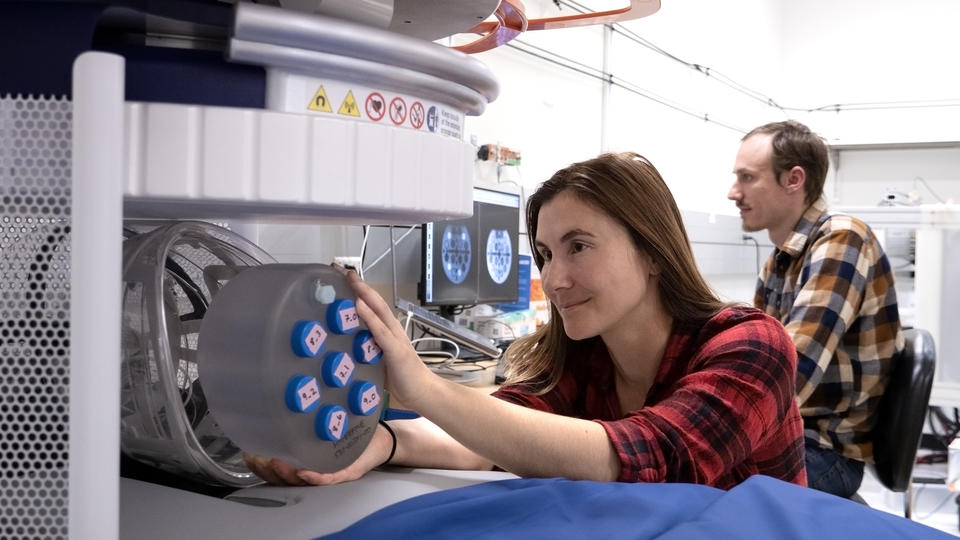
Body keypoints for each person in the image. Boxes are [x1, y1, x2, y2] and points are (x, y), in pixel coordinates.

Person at [247, 152, 806, 489]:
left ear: (653, 252)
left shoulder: (751, 346)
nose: (555, 277)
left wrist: (421, 385)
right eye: (544, 254)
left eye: (579, 247)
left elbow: (646, 456)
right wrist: (382, 441)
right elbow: (489, 437)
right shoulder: (586, 355)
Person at [728, 120, 904, 498]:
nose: (732, 192)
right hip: (791, 437)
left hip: (823, 451)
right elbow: (757, 357)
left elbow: (791, 370)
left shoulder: (842, 238)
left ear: (794, 179)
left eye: (747, 178)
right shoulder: (780, 259)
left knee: (688, 481)